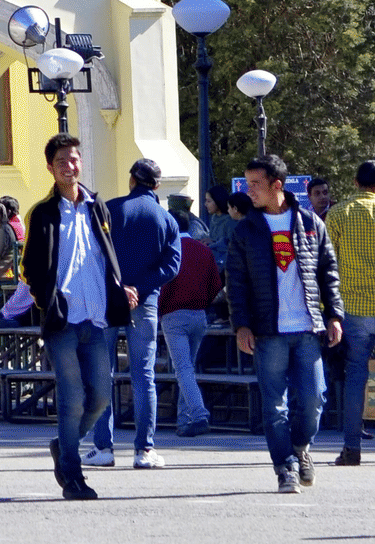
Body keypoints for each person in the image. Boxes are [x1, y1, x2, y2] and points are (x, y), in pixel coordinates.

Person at [23, 133, 134, 502]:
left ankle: (63, 444)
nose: (70, 167)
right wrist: (48, 300)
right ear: (51, 169)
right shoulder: (43, 212)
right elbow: (30, 267)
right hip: (63, 320)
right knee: (72, 400)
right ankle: (72, 475)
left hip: (97, 317)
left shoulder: (97, 207)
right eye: (61, 162)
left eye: (74, 159)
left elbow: (107, 257)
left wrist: (120, 288)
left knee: (101, 397)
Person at [231, 153, 344, 492]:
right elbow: (235, 281)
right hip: (268, 332)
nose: (249, 191)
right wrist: (242, 325)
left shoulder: (311, 223)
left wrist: (334, 315)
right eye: (248, 184)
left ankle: (299, 448)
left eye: (255, 185)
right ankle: (285, 467)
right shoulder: (246, 229)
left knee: (314, 399)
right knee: (275, 405)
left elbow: (329, 273)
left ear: (276, 185)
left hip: (308, 329)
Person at [87, 159, 182, 470]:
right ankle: (144, 450)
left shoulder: (110, 210)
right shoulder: (166, 219)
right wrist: (140, 288)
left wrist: (119, 286)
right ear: (156, 186)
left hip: (108, 300)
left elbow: (93, 255)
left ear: (131, 180)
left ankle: (103, 448)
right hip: (145, 301)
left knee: (103, 373)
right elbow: (172, 266)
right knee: (144, 376)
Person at [326, 160, 375, 467]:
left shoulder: (339, 213)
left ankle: (351, 448)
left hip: (353, 309)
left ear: (355, 183)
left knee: (355, 376)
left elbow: (325, 265)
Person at [160, 211, 223, 437]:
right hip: (199, 315)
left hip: (173, 315)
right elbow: (215, 285)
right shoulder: (204, 250)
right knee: (188, 368)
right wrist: (203, 303)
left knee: (183, 368)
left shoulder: (168, 251)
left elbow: (162, 285)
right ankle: (183, 420)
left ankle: (198, 415)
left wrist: (160, 310)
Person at [204, 185, 236, 273]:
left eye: (209, 201)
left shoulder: (230, 221)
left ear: (218, 200)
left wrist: (213, 243)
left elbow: (230, 246)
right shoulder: (214, 218)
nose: (206, 204)